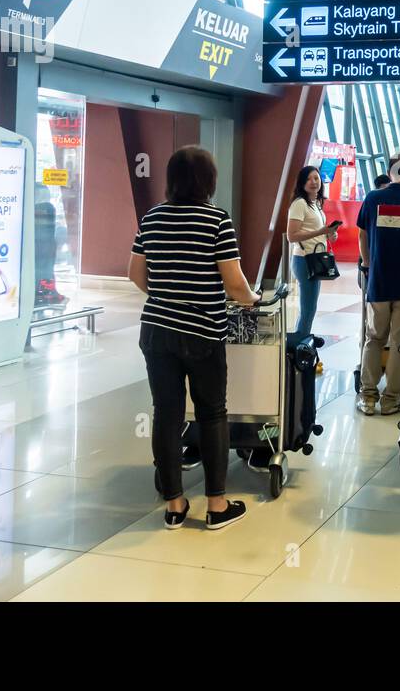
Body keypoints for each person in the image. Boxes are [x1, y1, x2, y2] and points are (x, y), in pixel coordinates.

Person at [128, 146, 259, 531]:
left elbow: (135, 274)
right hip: (202, 332)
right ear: (209, 181)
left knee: (166, 414)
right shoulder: (217, 220)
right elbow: (234, 284)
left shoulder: (151, 218)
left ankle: (174, 504)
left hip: (156, 331)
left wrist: (167, 293)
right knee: (212, 412)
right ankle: (217, 505)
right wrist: (253, 298)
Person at [355, 151, 400, 416]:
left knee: (373, 338)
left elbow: (362, 234)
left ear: (391, 170)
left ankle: (367, 397)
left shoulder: (373, 198)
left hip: (378, 281)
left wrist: (369, 264)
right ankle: (391, 400)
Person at [287, 165, 338, 348]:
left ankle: (302, 342)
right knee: (308, 309)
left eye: (316, 178)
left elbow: (314, 232)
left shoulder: (315, 204)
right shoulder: (299, 204)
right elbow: (291, 236)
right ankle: (299, 346)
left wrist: (329, 234)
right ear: (302, 182)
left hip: (314, 258)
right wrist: (320, 231)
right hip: (304, 259)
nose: (313, 182)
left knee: (310, 308)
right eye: (309, 179)